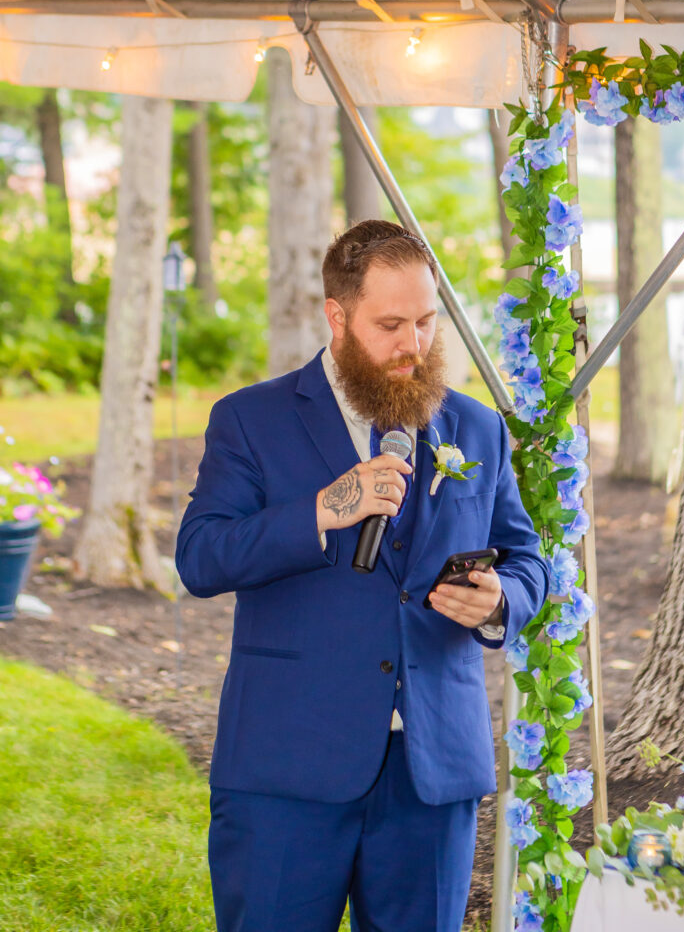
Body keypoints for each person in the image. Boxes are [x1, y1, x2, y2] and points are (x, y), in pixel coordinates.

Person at [176, 219, 548, 932]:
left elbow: (525, 556)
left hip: (432, 773)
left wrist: (503, 602)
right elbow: (200, 557)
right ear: (337, 317)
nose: (414, 344)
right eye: (390, 324)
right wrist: (322, 508)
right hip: (287, 768)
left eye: (427, 320)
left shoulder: (476, 430)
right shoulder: (250, 420)